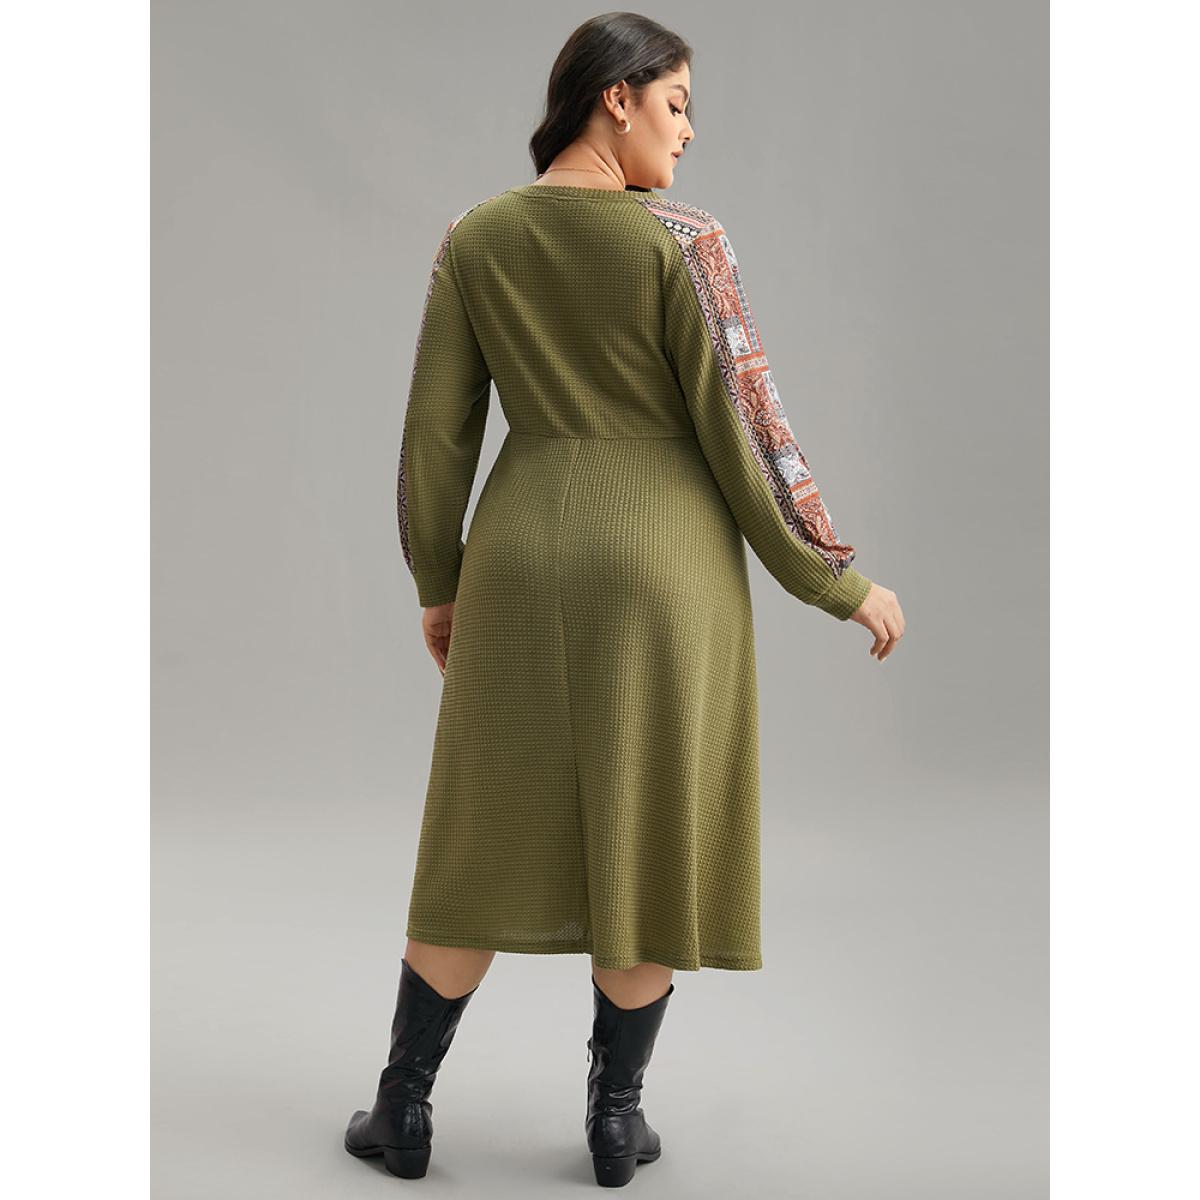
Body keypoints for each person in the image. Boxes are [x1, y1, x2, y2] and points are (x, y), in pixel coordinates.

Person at [344, 11, 905, 1189]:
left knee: (479, 834)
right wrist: (834, 577)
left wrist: (440, 583)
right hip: (663, 571)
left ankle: (402, 1108)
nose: (687, 132)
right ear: (617, 98)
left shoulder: (476, 236)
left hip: (519, 561)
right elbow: (749, 430)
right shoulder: (685, 243)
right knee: (647, 840)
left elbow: (433, 438)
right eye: (677, 104)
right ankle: (614, 1121)